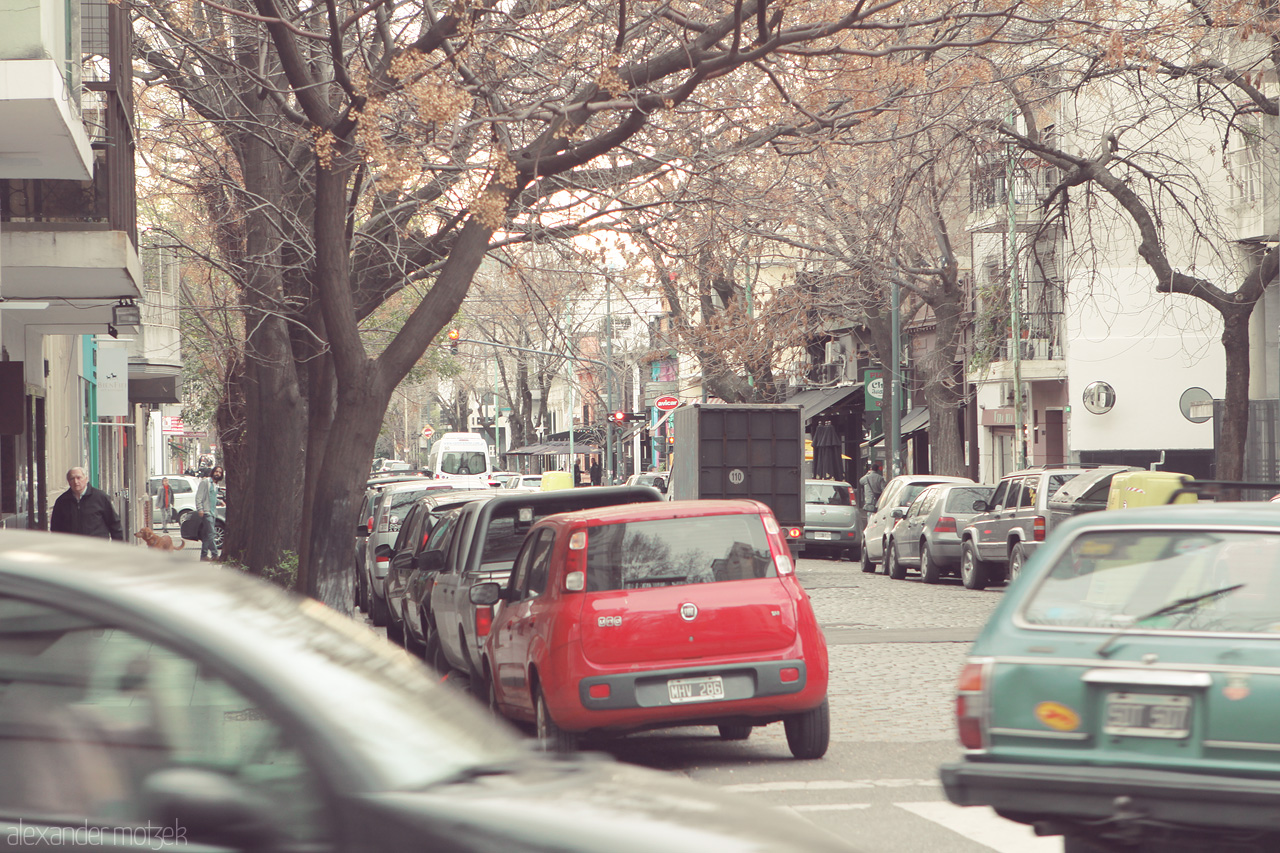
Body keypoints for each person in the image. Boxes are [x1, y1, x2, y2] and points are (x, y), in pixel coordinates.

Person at [50, 467, 123, 540]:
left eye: (79, 478)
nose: (76, 482)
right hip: (72, 548)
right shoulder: (62, 501)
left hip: (96, 547)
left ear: (86, 479)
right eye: (72, 479)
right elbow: (55, 529)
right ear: (68, 482)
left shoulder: (100, 497)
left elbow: (114, 524)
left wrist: (118, 547)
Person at [195, 465, 224, 561]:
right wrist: (200, 509)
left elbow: (213, 498)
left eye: (220, 472)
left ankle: (203, 555)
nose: (218, 473)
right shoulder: (206, 482)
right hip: (206, 512)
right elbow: (199, 496)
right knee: (211, 533)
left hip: (213, 512)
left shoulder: (216, 485)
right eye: (216, 471)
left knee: (207, 535)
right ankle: (215, 555)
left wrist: (220, 502)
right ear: (213, 472)